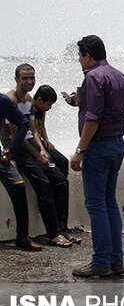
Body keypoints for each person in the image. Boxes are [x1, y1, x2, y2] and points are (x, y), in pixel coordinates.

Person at [68, 35, 124, 278]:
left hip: (99, 147)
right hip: (117, 144)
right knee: (109, 202)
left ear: (87, 56)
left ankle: (101, 260)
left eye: (80, 57)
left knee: (95, 205)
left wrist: (79, 151)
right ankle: (116, 261)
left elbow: (93, 118)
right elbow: (108, 107)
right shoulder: (118, 75)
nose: (80, 62)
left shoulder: (93, 76)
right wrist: (80, 100)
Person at [1, 63, 73, 248]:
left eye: (32, 78)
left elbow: (33, 129)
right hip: (18, 150)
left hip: (32, 146)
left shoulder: (29, 100)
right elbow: (18, 136)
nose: (29, 81)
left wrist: (42, 149)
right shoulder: (11, 101)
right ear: (16, 79)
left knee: (61, 180)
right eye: (25, 78)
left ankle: (61, 228)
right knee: (44, 184)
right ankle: (53, 234)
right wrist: (37, 154)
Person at [33, 84, 80, 243]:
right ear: (39, 100)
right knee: (61, 182)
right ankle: (57, 228)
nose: (49, 108)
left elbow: (41, 127)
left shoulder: (41, 110)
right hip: (33, 147)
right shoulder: (28, 109)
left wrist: (46, 140)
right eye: (48, 104)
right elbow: (31, 132)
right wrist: (41, 148)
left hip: (40, 143)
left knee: (62, 161)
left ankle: (62, 225)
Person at [0, 92, 42, 251]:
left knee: (18, 185)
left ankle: (23, 236)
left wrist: (11, 148)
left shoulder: (2, 101)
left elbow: (23, 123)